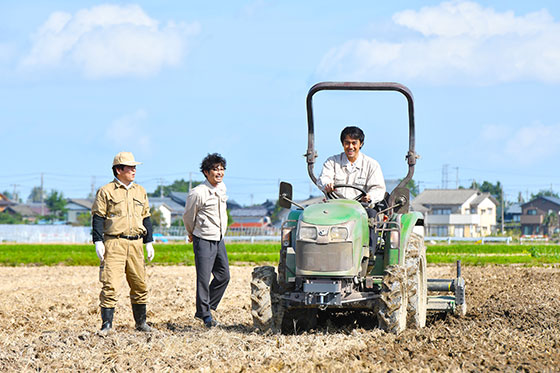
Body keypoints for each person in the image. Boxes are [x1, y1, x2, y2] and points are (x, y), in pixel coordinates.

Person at [91, 151, 155, 335]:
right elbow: (98, 217)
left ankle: (141, 323)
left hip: (136, 244)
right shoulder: (106, 191)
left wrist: (149, 241)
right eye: (130, 167)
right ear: (119, 170)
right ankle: (107, 325)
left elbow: (146, 218)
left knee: (140, 284)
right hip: (114, 243)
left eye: (135, 167)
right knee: (110, 284)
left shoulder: (140, 191)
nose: (134, 170)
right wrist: (98, 241)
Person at [182, 153, 230, 328]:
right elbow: (188, 216)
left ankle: (206, 307)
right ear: (206, 172)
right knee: (203, 278)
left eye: (222, 169)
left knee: (224, 275)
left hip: (218, 238)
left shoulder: (222, 188)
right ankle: (205, 316)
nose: (219, 173)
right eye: (215, 169)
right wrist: (191, 232)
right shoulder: (198, 192)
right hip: (203, 238)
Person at [317, 126, 386, 205]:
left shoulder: (372, 165)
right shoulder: (332, 162)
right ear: (343, 144)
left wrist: (370, 196)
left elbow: (378, 189)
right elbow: (324, 179)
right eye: (347, 143)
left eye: (354, 143)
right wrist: (327, 185)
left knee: (373, 215)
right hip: (335, 206)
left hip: (360, 207)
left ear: (361, 144)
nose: (350, 147)